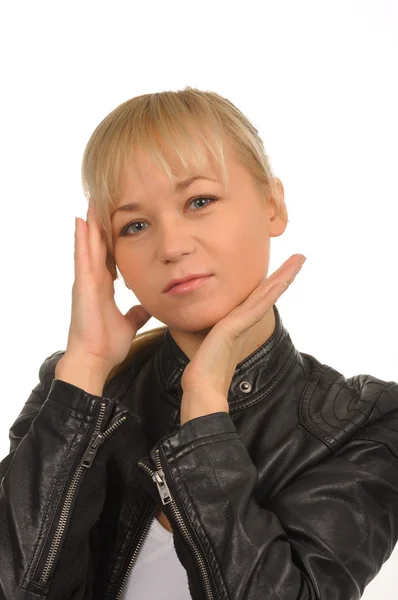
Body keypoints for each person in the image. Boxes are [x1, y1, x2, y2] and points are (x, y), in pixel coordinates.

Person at [0, 87, 397, 600]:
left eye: (200, 201)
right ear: (110, 256)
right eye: (135, 224)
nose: (172, 246)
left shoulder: (365, 422)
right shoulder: (78, 390)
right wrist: (86, 367)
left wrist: (205, 410)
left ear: (273, 204)